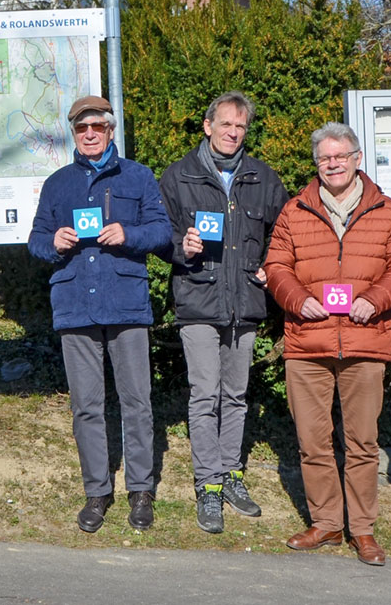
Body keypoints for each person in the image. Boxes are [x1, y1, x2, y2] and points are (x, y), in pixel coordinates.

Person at [264, 122, 391, 565]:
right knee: (313, 441)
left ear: (357, 159)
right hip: (308, 342)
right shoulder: (295, 210)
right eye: (324, 158)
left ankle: (363, 531)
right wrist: (298, 299)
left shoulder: (385, 210)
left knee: (362, 442)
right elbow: (276, 266)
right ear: (318, 164)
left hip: (365, 341)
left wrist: (375, 299)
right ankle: (327, 523)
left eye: (340, 156)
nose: (332, 164)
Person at [28, 95, 172, 533]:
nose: (89, 134)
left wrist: (129, 233)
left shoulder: (138, 176)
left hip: (126, 303)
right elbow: (34, 240)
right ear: (74, 133)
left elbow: (164, 232)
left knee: (137, 403)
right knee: (86, 406)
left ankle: (141, 491)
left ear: (111, 130)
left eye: (97, 127)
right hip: (75, 306)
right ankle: (97, 492)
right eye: (81, 128)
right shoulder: (57, 184)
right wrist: (54, 242)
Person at [158, 91, 288, 533]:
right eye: (226, 124)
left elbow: (284, 234)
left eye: (241, 127)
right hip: (198, 301)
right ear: (207, 126)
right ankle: (208, 484)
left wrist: (276, 266)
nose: (234, 133)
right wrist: (182, 247)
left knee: (235, 396)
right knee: (204, 393)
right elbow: (159, 235)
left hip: (246, 303)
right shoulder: (179, 176)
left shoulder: (262, 178)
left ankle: (231, 472)